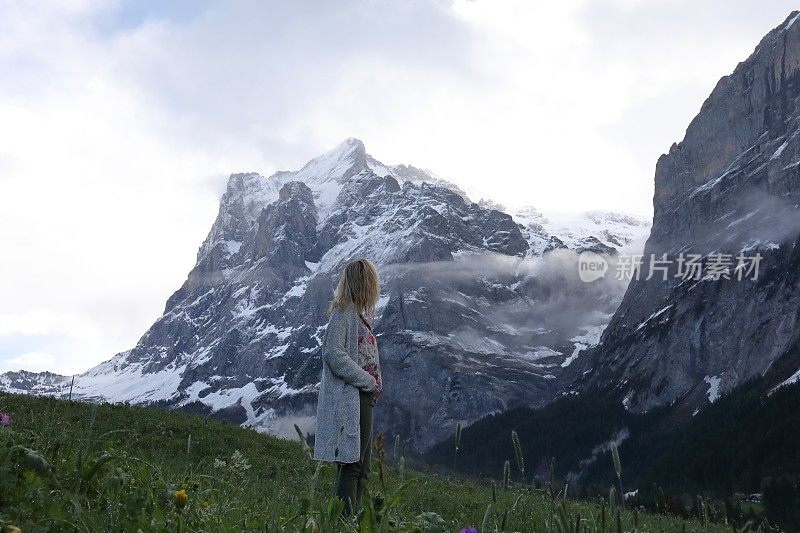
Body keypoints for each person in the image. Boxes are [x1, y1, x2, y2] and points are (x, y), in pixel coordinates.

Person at [313, 258, 383, 517]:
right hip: (353, 399)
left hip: (363, 398)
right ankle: (344, 522)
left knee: (361, 467)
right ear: (364, 284)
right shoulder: (344, 314)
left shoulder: (356, 315)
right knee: (351, 463)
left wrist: (372, 385)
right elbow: (333, 354)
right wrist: (368, 381)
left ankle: (352, 520)